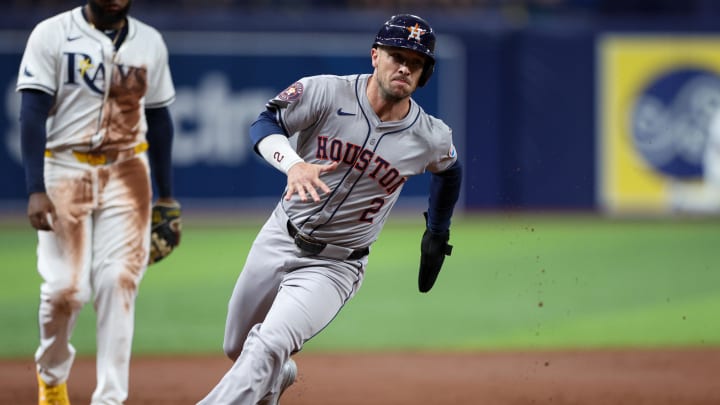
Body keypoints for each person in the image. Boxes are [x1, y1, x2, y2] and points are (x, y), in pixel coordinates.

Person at [198, 14, 462, 404]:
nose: (405, 66)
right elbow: (264, 122)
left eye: (416, 62)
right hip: (280, 236)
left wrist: (437, 231)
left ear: (424, 74)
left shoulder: (430, 136)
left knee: (269, 343)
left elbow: (450, 170)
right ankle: (279, 374)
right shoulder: (325, 92)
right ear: (375, 55)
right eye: (396, 55)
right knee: (238, 349)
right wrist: (293, 164)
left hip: (336, 265)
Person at [16, 0, 178, 404]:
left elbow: (159, 120)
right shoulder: (51, 33)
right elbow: (32, 112)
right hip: (64, 168)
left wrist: (168, 198)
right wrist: (35, 186)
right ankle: (52, 378)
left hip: (128, 170)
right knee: (64, 291)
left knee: (119, 282)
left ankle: (110, 398)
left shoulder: (150, 42)